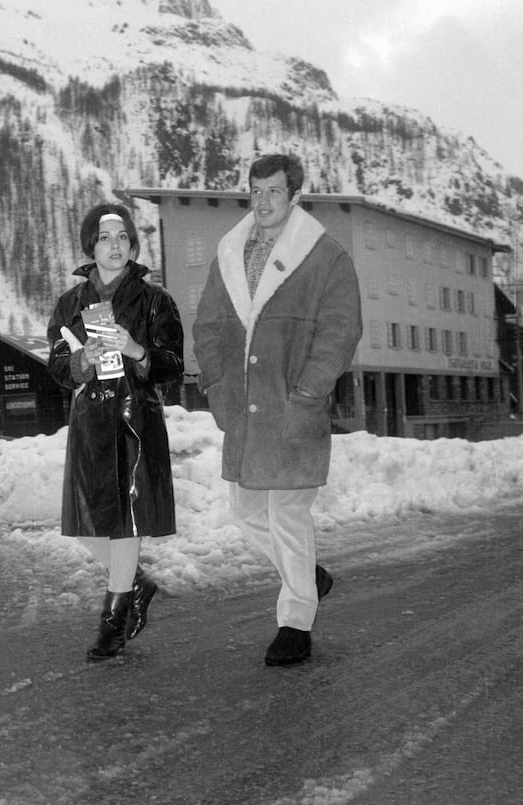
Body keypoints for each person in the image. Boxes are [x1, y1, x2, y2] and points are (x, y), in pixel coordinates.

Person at [192, 154, 362, 666]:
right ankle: (307, 575)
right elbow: (208, 328)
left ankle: (295, 623)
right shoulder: (229, 253)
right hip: (244, 411)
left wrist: (308, 393)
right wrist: (219, 392)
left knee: (288, 514)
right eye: (255, 190)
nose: (262, 200)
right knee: (244, 511)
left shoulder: (325, 256)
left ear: (294, 197)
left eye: (272, 191)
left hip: (293, 410)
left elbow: (340, 331)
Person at [47, 202, 184, 661]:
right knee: (86, 518)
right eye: (106, 238)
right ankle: (137, 584)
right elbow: (56, 366)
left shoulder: (155, 300)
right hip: (90, 421)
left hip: (135, 420)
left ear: (132, 244)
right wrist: (79, 362)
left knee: (127, 518)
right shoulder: (70, 303)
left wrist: (138, 349)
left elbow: (173, 367)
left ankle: (113, 620)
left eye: (122, 237)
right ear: (91, 245)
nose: (114, 245)